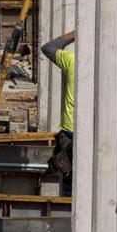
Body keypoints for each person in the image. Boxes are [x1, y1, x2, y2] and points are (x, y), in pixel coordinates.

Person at [41, 30, 76, 192]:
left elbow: (48, 48)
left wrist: (76, 33)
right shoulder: (116, 68)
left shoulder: (73, 60)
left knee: (67, 176)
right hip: (94, 133)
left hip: (70, 131)